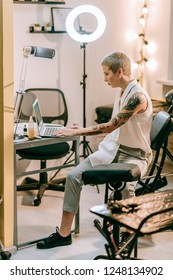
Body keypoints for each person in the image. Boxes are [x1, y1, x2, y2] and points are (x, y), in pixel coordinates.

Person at [36, 51, 153, 249]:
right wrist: (76, 130)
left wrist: (77, 132)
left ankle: (126, 233)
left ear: (120, 71)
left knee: (126, 187)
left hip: (135, 155)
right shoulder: (122, 91)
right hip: (113, 149)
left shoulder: (138, 97)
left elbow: (109, 126)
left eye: (106, 74)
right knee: (73, 176)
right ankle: (64, 234)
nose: (104, 79)